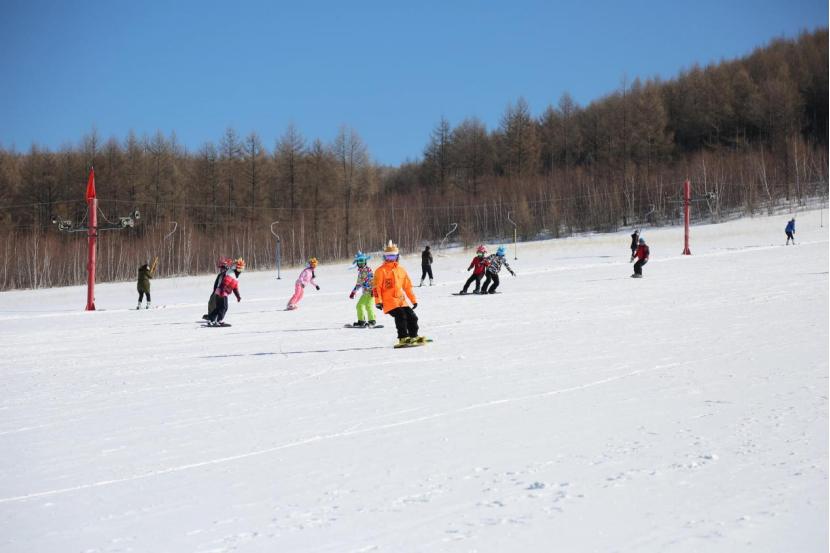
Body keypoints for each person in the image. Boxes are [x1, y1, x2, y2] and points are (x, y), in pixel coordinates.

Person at [373, 240, 424, 346]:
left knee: (412, 316)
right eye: (388, 256)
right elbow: (376, 288)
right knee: (401, 315)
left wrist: (413, 300)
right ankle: (403, 338)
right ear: (384, 257)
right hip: (389, 301)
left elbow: (407, 287)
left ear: (397, 257)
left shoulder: (401, 270)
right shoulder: (380, 271)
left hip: (401, 300)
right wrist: (378, 301)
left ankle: (413, 336)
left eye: (393, 256)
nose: (390, 259)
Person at [207, 258, 243, 325]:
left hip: (219, 292)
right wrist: (222, 291)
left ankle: (211, 319)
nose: (240, 272)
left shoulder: (234, 277)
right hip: (222, 293)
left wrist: (238, 296)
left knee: (218, 308)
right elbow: (224, 283)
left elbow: (235, 288)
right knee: (224, 307)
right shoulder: (231, 274)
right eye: (239, 271)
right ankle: (219, 321)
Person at [349, 251, 377, 327]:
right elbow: (359, 284)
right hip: (365, 293)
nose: (361, 263)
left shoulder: (368, 270)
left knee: (363, 305)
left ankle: (368, 321)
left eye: (362, 261)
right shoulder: (360, 272)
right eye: (359, 262)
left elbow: (373, 280)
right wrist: (353, 292)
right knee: (364, 305)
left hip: (370, 292)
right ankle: (365, 321)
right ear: (357, 263)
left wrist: (373, 290)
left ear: (365, 262)